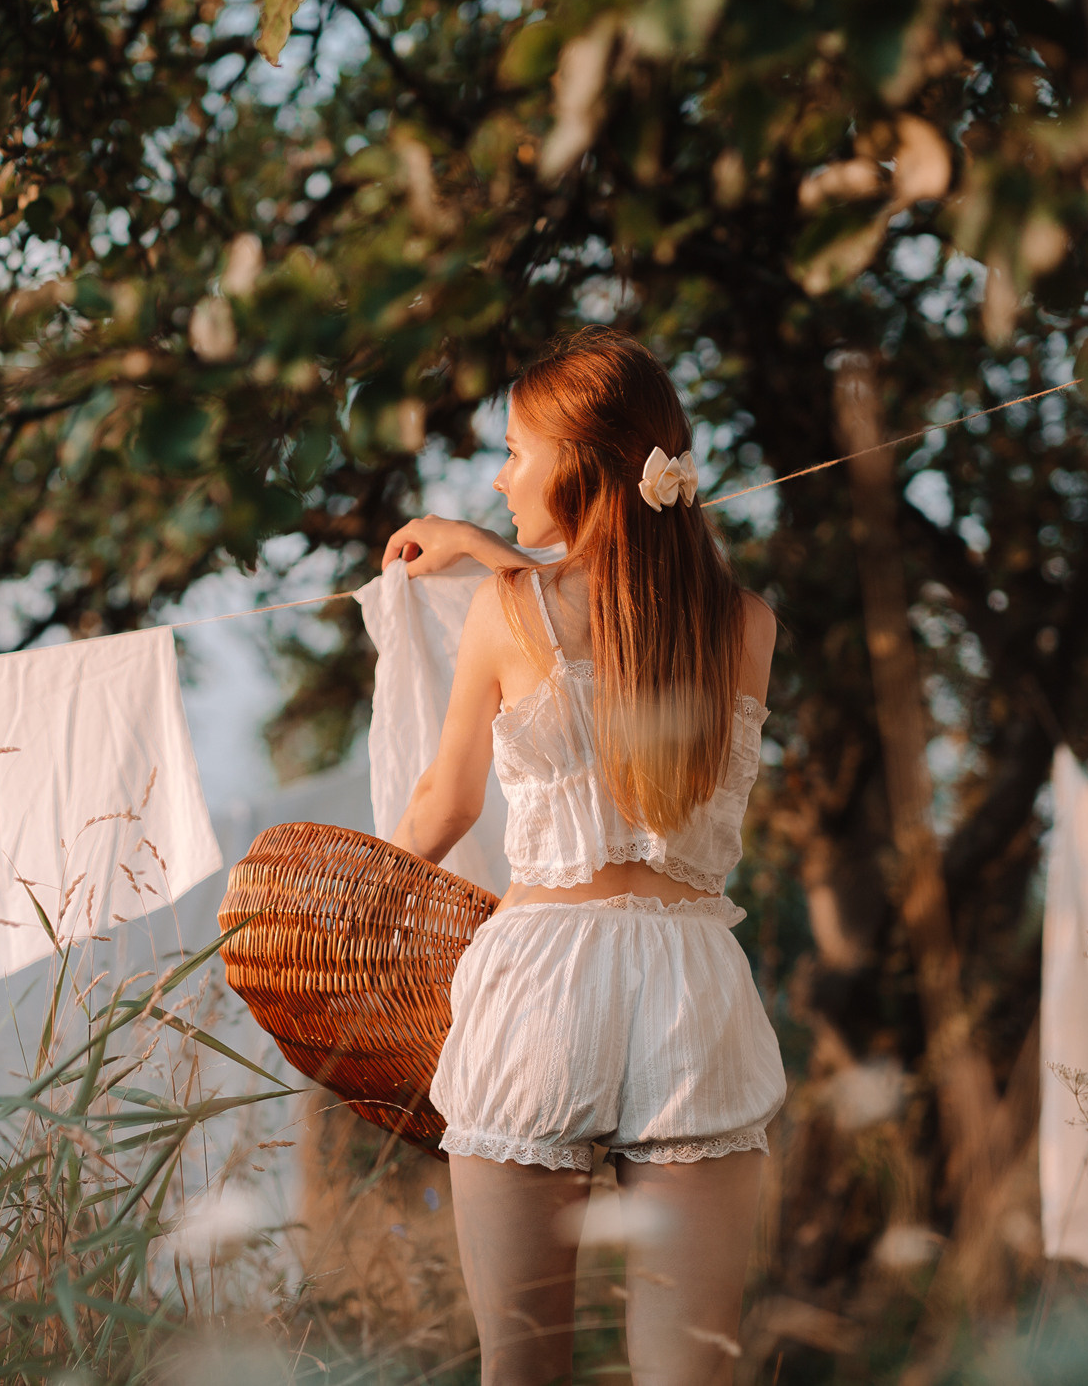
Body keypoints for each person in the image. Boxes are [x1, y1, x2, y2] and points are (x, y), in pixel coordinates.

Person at [382, 326, 783, 1386]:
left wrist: (354, 900)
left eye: (516, 450)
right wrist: (488, 544)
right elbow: (631, 606)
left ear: (581, 461)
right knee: (689, 1375)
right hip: (691, 985)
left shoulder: (505, 613)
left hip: (541, 983)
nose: (500, 475)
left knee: (522, 1370)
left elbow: (439, 810)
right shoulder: (743, 625)